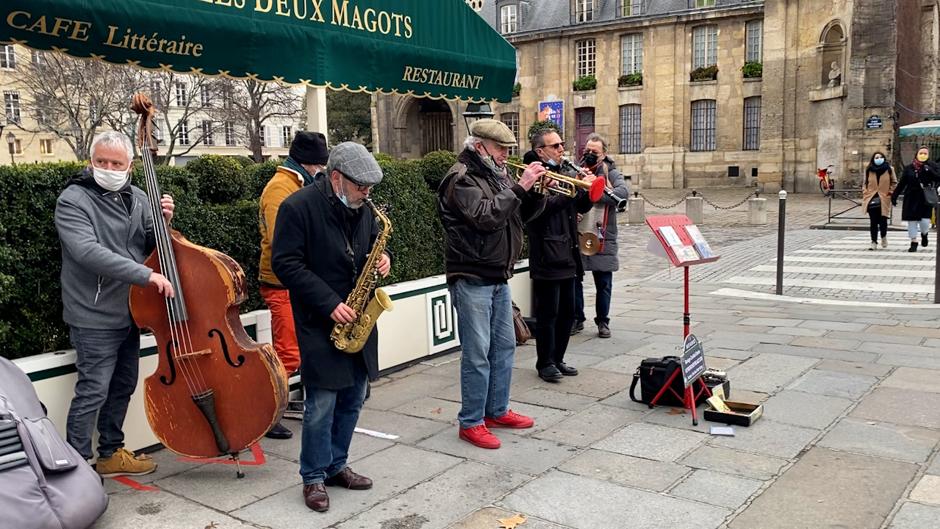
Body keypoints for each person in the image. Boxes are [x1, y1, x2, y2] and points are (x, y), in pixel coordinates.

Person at [271, 141, 390, 513]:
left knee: (355, 397)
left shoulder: (363, 207)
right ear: (336, 177)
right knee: (321, 404)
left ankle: (337, 465)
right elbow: (285, 264)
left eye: (370, 188)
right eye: (360, 186)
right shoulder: (297, 207)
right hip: (319, 320)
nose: (366, 194)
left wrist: (385, 257)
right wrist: (329, 303)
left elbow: (372, 245)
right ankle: (313, 477)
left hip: (358, 319)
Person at [55, 131, 175, 477]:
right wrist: (144, 276)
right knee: (93, 390)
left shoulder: (137, 197)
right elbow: (87, 251)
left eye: (116, 163)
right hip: (92, 314)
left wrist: (165, 221)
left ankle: (110, 452)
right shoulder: (73, 199)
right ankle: (77, 467)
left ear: (130, 166)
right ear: (90, 163)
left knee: (123, 384)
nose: (108, 168)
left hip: (131, 312)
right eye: (101, 162)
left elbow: (155, 243)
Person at [437, 119, 545, 449]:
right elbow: (485, 217)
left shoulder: (495, 174)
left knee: (505, 346)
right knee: (477, 353)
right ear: (480, 146)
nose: (505, 156)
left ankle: (496, 410)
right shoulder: (462, 177)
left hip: (497, 273)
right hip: (471, 275)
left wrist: (534, 193)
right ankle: (471, 421)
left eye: (508, 150)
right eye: (501, 149)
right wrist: (519, 187)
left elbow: (514, 217)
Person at [258, 131, 329, 439]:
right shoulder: (279, 189)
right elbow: (282, 241)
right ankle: (265, 414)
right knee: (288, 354)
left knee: (298, 350)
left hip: (299, 282)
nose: (323, 171)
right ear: (309, 163)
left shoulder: (299, 184)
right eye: (320, 165)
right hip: (282, 282)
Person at [527, 128, 595, 382]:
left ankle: (558, 357)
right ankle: (544, 362)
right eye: (555, 146)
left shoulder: (563, 172)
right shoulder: (534, 176)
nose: (561, 149)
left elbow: (580, 206)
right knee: (548, 314)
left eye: (561, 144)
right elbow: (539, 211)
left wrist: (586, 190)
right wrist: (574, 193)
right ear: (540, 151)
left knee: (569, 312)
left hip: (568, 251)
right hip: (547, 253)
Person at [572, 133, 629, 338]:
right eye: (586, 150)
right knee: (574, 278)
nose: (589, 154)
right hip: (578, 231)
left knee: (603, 282)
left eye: (594, 152)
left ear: (603, 153)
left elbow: (622, 194)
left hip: (602, 233)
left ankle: (603, 321)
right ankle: (577, 318)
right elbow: (568, 191)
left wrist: (595, 188)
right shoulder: (575, 169)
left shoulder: (611, 172)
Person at [893, 146, 939, 252]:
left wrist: (930, 170)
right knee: (911, 221)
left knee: (924, 222)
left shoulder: (932, 166)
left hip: (925, 197)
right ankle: (913, 241)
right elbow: (902, 183)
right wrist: (894, 196)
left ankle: (924, 234)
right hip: (911, 197)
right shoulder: (909, 168)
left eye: (925, 153)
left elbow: (938, 177)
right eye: (921, 153)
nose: (923, 155)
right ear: (917, 154)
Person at [861, 151, 897, 250]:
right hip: (871, 198)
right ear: (873, 159)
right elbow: (864, 183)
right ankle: (873, 242)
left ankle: (883, 237)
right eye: (876, 157)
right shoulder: (869, 169)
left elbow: (894, 182)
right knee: (873, 222)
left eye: (881, 157)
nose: (878, 159)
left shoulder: (889, 169)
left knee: (883, 221)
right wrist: (865, 192)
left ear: (884, 159)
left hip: (884, 198)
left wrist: (890, 192)